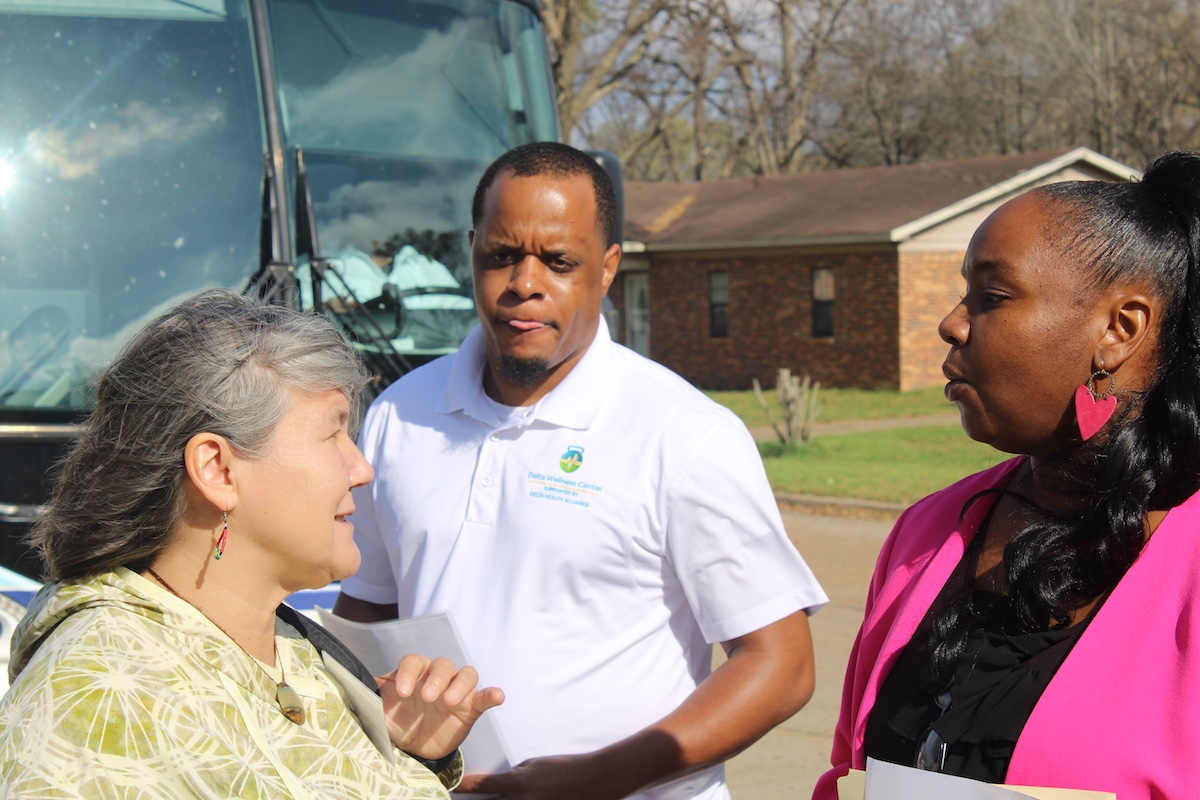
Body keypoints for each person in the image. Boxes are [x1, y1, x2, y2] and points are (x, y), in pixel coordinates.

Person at [333, 141, 828, 800]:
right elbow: (366, 619)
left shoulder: (682, 434)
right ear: (471, 249)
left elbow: (781, 666)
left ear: (607, 268)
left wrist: (594, 781)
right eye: (502, 255)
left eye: (559, 262)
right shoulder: (401, 416)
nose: (525, 283)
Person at [0, 290, 504, 798]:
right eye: (332, 435)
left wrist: (407, 755)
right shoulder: (95, 692)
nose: (362, 469)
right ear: (217, 470)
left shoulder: (296, 652)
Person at [813, 151, 1200, 799]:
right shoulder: (927, 533)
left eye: (991, 297)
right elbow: (850, 770)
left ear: (1119, 329)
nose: (952, 324)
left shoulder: (1186, 558)